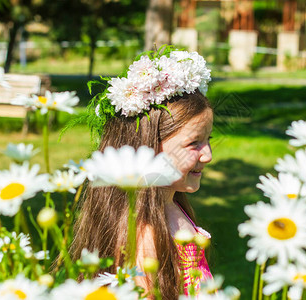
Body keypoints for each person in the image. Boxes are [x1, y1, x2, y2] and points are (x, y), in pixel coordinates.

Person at [70, 48, 214, 299]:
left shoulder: (172, 207)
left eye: (208, 140)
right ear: (148, 147)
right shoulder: (145, 234)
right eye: (194, 143)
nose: (208, 155)